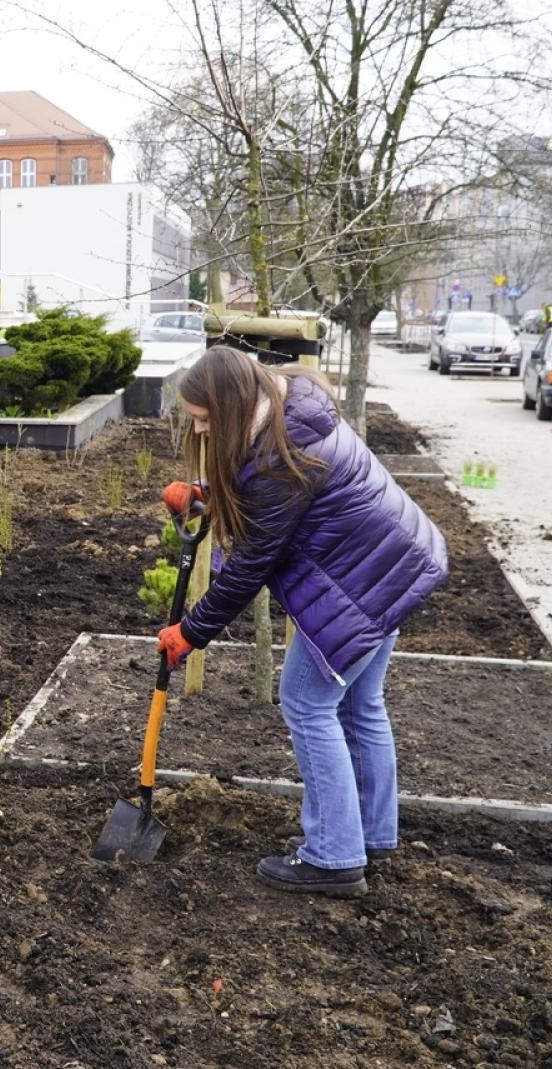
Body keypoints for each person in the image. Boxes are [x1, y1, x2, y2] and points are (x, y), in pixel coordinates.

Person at [156, 346, 448, 898]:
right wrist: (207, 496)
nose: (198, 430)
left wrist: (191, 632)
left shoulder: (279, 460)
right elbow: (275, 497)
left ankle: (334, 856)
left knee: (307, 704)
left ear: (232, 406)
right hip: (394, 564)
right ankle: (367, 833)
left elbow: (250, 564)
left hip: (358, 587)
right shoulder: (291, 407)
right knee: (361, 706)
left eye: (203, 418)